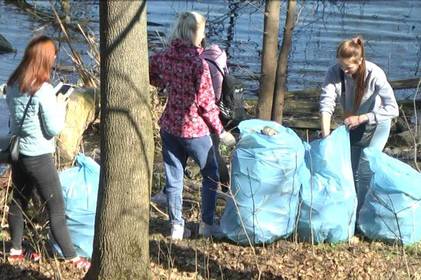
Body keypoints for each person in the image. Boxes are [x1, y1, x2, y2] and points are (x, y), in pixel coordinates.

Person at [149, 11, 236, 240]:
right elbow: (207, 104)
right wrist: (222, 132)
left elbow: (152, 76)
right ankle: (207, 223)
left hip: (169, 127)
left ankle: (177, 226)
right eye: (202, 30)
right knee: (210, 174)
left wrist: (164, 83)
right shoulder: (199, 64)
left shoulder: (164, 57)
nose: (204, 34)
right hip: (194, 130)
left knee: (173, 178)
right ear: (195, 33)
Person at [5, 35, 90, 269]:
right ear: (44, 58)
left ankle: (15, 250)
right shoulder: (43, 90)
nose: (54, 58)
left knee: (19, 201)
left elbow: (16, 120)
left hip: (18, 153)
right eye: (53, 54)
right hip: (39, 157)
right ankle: (73, 257)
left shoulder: (12, 83)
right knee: (56, 209)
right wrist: (60, 105)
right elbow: (53, 128)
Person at [319, 36, 399, 213]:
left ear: (360, 61)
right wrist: (326, 136)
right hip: (352, 125)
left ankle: (364, 214)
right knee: (350, 170)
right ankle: (352, 213)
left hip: (376, 123)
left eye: (348, 67)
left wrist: (363, 117)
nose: (344, 71)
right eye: (341, 66)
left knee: (365, 169)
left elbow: (393, 109)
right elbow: (326, 104)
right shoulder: (334, 72)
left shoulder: (374, 74)